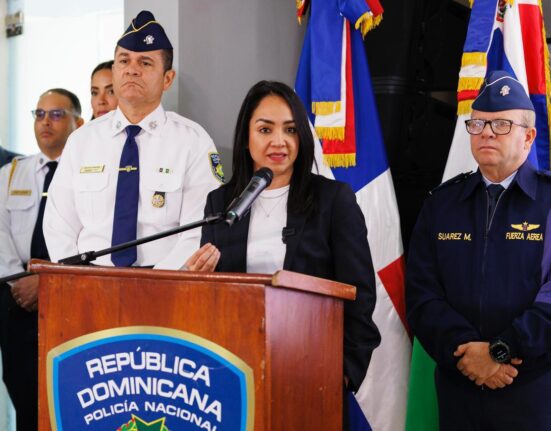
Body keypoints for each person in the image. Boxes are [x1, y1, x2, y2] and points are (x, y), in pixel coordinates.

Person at [187, 81, 380, 425]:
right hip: (235, 374)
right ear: (246, 138)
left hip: (312, 373)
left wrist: (342, 374)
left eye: (290, 130)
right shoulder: (221, 203)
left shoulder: (332, 200)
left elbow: (359, 295)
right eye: (265, 129)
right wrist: (197, 282)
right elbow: (214, 297)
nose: (279, 141)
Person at [406, 70, 551, 430]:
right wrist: (467, 352)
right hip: (460, 386)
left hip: (534, 388)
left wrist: (504, 349)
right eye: (478, 124)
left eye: (501, 124)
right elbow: (422, 294)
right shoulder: (441, 204)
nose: (486, 132)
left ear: (529, 136)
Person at [44, 10, 223, 268]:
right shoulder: (82, 141)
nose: (132, 70)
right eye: (124, 61)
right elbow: (58, 223)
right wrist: (77, 277)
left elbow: (199, 229)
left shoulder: (193, 142)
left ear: (167, 79)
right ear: (114, 70)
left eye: (145, 63)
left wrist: (154, 283)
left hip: (164, 279)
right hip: (88, 278)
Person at [0, 88, 83, 430]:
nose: (46, 122)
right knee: (21, 386)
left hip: (67, 295)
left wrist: (48, 283)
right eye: (39, 114)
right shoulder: (11, 172)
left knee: (64, 391)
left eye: (57, 114)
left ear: (78, 123)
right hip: (15, 297)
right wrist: (19, 281)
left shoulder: (85, 173)